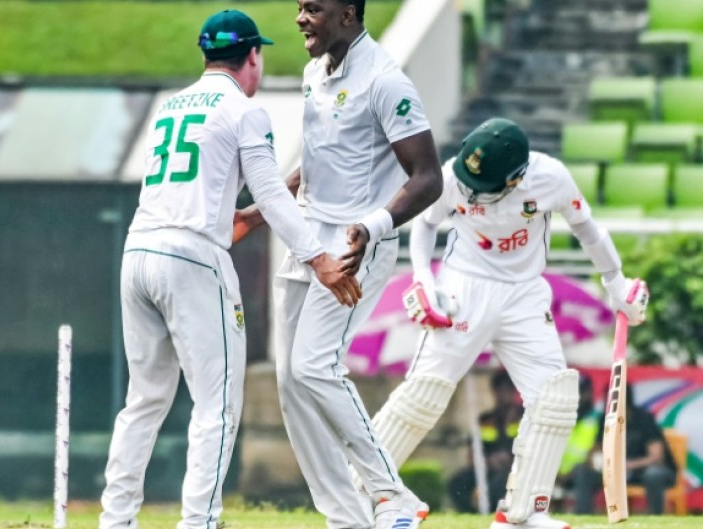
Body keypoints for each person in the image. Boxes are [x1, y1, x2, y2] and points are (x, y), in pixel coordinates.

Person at [98, 10, 362, 529]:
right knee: (217, 406)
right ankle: (199, 521)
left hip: (140, 251)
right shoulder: (244, 110)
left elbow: (230, 198)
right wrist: (319, 259)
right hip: (193, 261)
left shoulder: (171, 106)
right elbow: (264, 192)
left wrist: (259, 206)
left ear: (205, 56)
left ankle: (116, 519)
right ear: (252, 57)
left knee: (144, 401)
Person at [364, 117, 650, 529]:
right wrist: (424, 281)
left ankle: (521, 513)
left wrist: (617, 283)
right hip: (464, 288)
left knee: (555, 397)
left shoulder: (549, 178)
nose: (471, 191)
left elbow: (586, 227)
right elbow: (424, 227)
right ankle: (366, 494)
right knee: (424, 393)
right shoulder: (453, 177)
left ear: (516, 178)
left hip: (524, 293)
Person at [235, 1, 444, 527]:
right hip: (307, 236)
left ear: (348, 14)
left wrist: (372, 226)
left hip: (356, 246)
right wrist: (261, 213)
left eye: (314, 8)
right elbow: (319, 161)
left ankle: (392, 495)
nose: (301, 18)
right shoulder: (314, 71)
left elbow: (427, 177)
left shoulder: (386, 80)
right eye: (300, 7)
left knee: (313, 365)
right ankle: (345, 517)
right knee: (289, 380)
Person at [448, 370, 524, 513]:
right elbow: (473, 452)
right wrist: (489, 461)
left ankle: (494, 509)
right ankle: (470, 511)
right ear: (494, 392)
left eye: (508, 390)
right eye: (500, 390)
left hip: (514, 469)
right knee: (458, 481)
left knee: (501, 480)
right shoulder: (486, 419)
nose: (504, 395)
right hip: (487, 467)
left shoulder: (524, 417)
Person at [596, 383, 678, 515]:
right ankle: (583, 515)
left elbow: (657, 457)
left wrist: (628, 465)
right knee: (584, 472)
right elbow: (598, 448)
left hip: (650, 469)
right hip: (618, 471)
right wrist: (598, 461)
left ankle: (656, 519)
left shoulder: (643, 418)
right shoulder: (604, 420)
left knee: (653, 474)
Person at [554, 374, 603, 514]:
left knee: (582, 472)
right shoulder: (561, 417)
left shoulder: (598, 418)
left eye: (579, 391)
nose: (575, 396)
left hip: (591, 472)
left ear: (588, 393)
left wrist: (568, 473)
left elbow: (597, 451)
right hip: (559, 472)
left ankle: (583, 514)